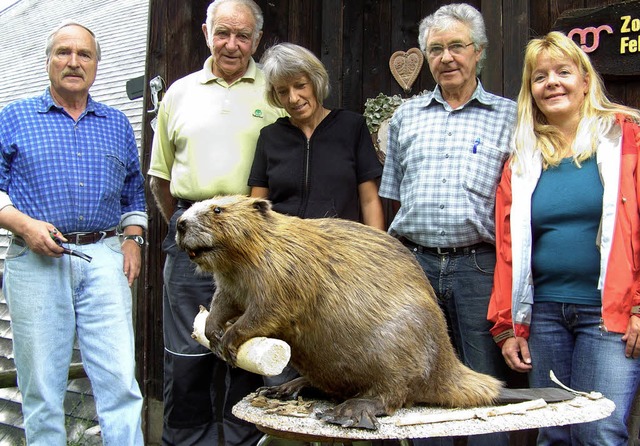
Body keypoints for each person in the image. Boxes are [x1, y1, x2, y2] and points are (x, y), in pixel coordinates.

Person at [488, 30, 640, 446]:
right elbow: (508, 249)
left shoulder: (627, 138)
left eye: (563, 72)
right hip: (545, 315)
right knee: (553, 434)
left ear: (585, 80)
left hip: (609, 316)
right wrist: (508, 326)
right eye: (540, 77)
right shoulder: (523, 157)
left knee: (599, 433)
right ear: (531, 91)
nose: (551, 82)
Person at [0, 21, 146, 445]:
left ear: (97, 65)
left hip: (103, 256)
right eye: (63, 52)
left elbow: (133, 190)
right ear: (48, 61)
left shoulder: (116, 123)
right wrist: (23, 225)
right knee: (42, 388)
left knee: (120, 381)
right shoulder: (14, 117)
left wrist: (133, 238)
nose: (73, 62)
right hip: (36, 259)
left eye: (84, 54)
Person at [147, 0, 285, 444]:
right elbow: (160, 177)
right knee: (188, 348)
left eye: (243, 36)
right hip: (189, 236)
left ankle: (244, 439)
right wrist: (185, 229)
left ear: (257, 40)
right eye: (223, 33)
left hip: (251, 241)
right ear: (206, 32)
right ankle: (186, 441)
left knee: (247, 347)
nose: (232, 44)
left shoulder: (275, 90)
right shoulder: (179, 93)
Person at [378, 4, 515, 445]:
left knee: (483, 386)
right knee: (419, 378)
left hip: (479, 266)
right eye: (435, 49)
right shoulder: (406, 117)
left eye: (457, 46)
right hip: (413, 266)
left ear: (478, 52)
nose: (446, 58)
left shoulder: (509, 117)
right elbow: (392, 194)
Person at [249, 42, 385, 229]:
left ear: (315, 81)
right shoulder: (269, 137)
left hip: (339, 246)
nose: (293, 98)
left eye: (300, 85)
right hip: (285, 248)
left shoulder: (352, 127)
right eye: (283, 91)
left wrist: (375, 252)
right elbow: (256, 208)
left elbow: (369, 201)